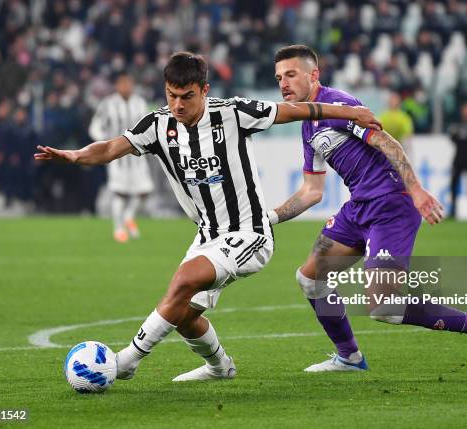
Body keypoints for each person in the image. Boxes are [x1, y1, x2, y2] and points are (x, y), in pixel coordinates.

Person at [35, 52, 382, 382]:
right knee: (182, 315)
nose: (178, 105)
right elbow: (112, 147)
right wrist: (77, 155)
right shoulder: (158, 125)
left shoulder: (233, 114)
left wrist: (352, 114)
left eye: (187, 96)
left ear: (205, 91)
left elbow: (294, 110)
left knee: (184, 280)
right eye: (171, 96)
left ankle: (126, 362)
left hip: (249, 233)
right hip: (207, 234)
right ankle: (220, 367)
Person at [269, 45, 467, 376]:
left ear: (313, 75)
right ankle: (349, 357)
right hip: (359, 206)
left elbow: (387, 142)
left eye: (291, 75)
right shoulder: (307, 124)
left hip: (392, 204)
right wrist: (271, 218)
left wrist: (415, 190)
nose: (283, 84)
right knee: (310, 279)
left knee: (384, 306)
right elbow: (312, 191)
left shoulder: (340, 105)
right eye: (279, 77)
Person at [89, 72, 155, 242]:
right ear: (117, 85)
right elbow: (95, 127)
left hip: (137, 155)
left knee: (144, 190)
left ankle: (128, 216)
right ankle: (118, 229)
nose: (126, 87)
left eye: (129, 83)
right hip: (117, 156)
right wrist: (104, 143)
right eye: (122, 83)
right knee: (119, 193)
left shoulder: (140, 103)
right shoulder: (108, 104)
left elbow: (148, 125)